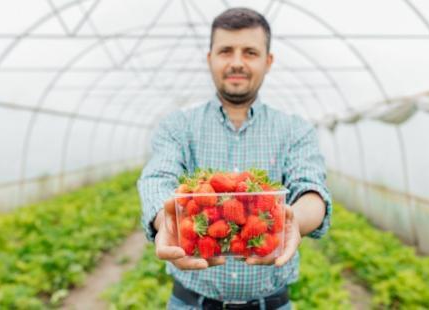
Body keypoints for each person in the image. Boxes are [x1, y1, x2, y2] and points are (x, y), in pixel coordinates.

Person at [138, 7, 332, 310]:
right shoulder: (178, 126)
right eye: (226, 51)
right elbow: (157, 177)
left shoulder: (295, 130)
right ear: (210, 59)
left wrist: (293, 221)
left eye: (250, 52)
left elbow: (310, 186)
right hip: (190, 303)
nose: (237, 62)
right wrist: (168, 220)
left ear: (268, 62)